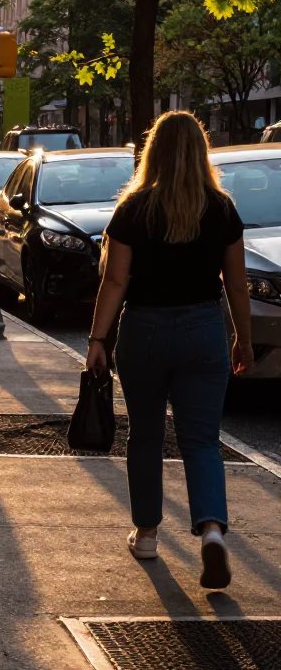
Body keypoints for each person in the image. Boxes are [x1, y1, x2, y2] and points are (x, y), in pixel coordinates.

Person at [87, 111, 252, 590]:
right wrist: (242, 337)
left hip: (145, 331)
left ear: (152, 152)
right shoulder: (222, 209)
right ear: (201, 152)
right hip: (203, 330)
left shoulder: (133, 209)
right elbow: (237, 286)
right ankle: (213, 532)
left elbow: (115, 280)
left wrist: (98, 339)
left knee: (145, 436)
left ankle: (147, 533)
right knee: (201, 441)